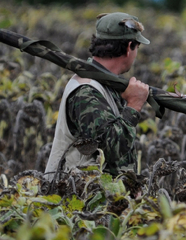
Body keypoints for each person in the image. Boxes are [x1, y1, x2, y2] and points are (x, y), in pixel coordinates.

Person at [44, 12, 151, 177]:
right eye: (137, 47)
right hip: (78, 198)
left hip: (100, 196)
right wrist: (134, 105)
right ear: (129, 47)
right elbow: (110, 148)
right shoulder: (86, 90)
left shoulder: (106, 84)